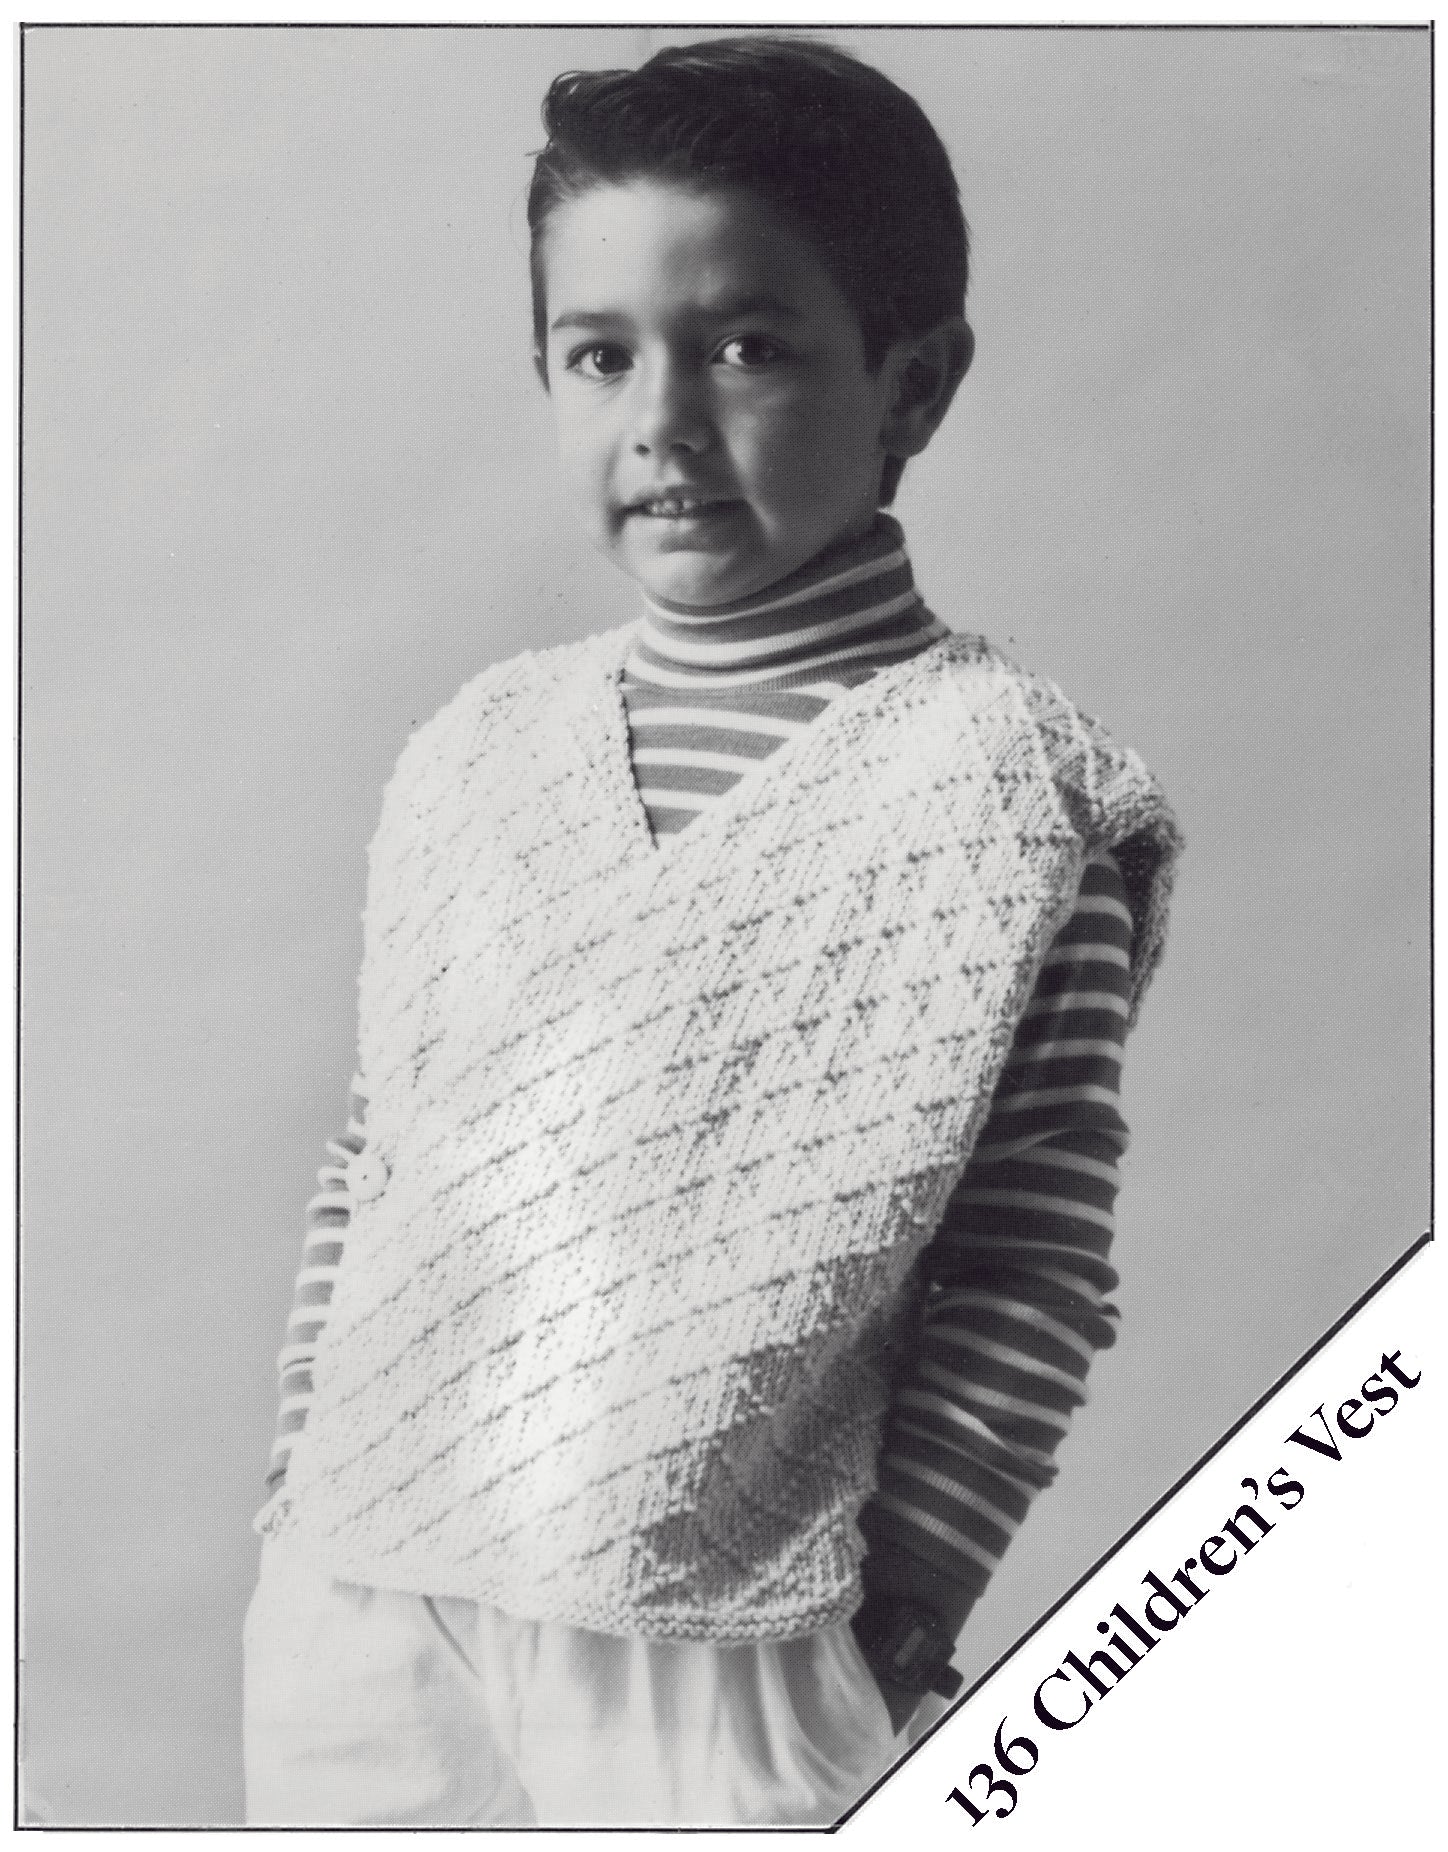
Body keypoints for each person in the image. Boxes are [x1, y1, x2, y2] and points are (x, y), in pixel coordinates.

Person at [242, 34, 1181, 1827]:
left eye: (747, 346)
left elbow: (1027, 1254)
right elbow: (379, 1159)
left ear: (914, 385)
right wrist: (306, 1474)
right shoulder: (473, 752)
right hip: (367, 1596)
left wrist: (898, 1619)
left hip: (725, 1640)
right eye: (599, 356)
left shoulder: (1009, 795)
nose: (662, 419)